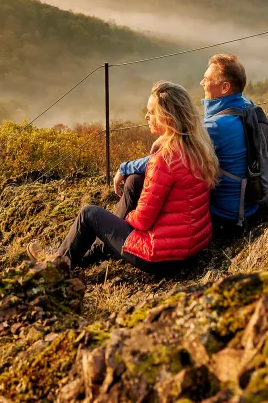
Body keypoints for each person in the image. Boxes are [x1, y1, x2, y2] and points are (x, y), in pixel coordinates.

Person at [28, 81, 218, 275]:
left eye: (151, 112)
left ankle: (55, 268)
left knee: (89, 214)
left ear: (166, 117)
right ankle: (85, 254)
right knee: (135, 180)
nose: (146, 117)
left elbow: (142, 221)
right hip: (191, 246)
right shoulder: (197, 146)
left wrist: (124, 220)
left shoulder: (165, 159)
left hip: (161, 258)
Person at [114, 54, 258, 238]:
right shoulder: (245, 106)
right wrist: (169, 136)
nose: (201, 83)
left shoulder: (216, 127)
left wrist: (124, 168)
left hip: (225, 216)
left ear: (225, 87)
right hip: (247, 203)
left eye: (207, 79)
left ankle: (116, 235)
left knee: (135, 180)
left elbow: (166, 159)